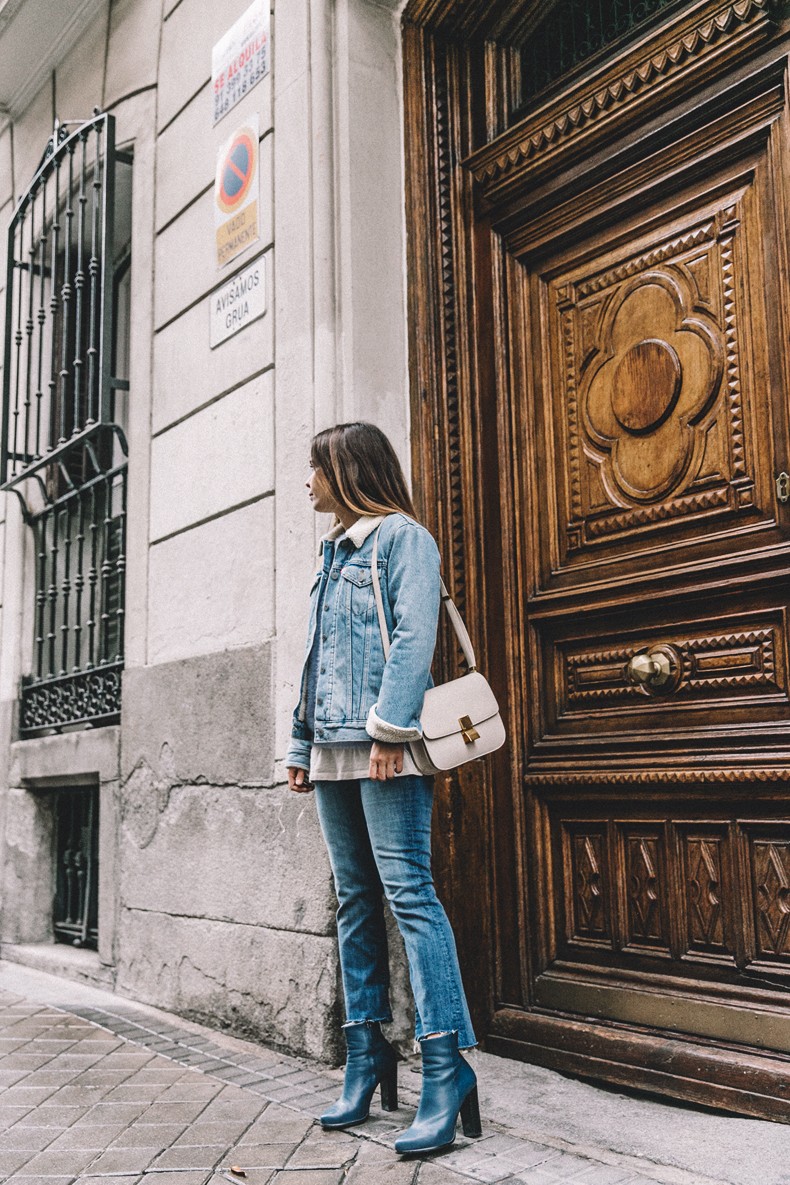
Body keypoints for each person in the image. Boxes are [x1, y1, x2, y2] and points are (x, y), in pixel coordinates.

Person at [285, 421, 481, 1156]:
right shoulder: (332, 549)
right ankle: (367, 1055)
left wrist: (390, 733)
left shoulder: (405, 540)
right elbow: (313, 652)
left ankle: (446, 1063)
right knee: (355, 897)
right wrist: (300, 742)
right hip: (333, 745)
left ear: (346, 468)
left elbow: (411, 637)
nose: (306, 480)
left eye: (314, 466)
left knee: (409, 893)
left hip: (382, 748)